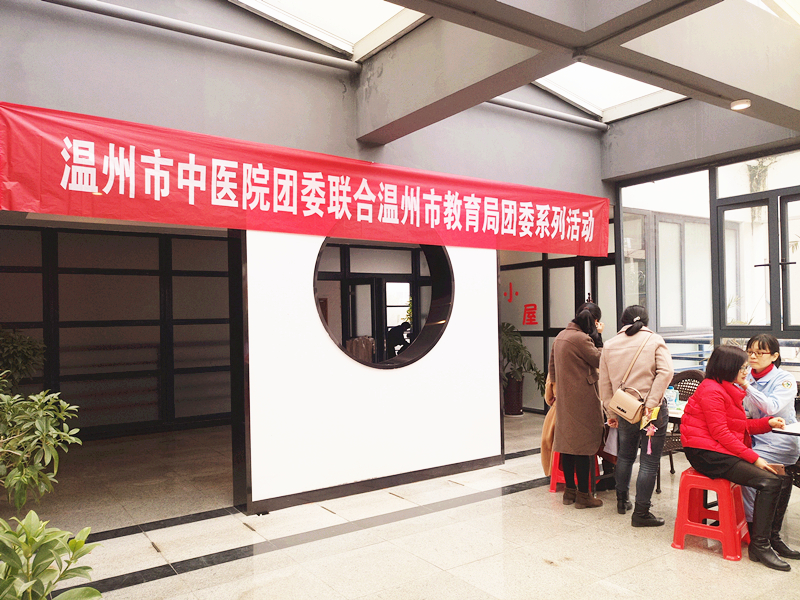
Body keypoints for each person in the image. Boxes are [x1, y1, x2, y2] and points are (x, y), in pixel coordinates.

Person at [680, 345, 789, 571]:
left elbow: (734, 425)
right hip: (705, 453)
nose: (746, 372)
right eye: (742, 367)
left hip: (714, 449)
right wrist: (754, 458)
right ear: (727, 367)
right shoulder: (712, 390)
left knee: (779, 479)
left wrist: (766, 423)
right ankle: (760, 545)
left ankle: (768, 540)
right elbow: (721, 432)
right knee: (770, 481)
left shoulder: (724, 388)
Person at [599, 305, 674, 527]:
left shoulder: (609, 345)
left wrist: (611, 412)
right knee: (649, 461)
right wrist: (651, 404)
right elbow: (666, 372)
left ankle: (622, 501)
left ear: (623, 322)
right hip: (652, 412)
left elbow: (604, 383)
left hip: (625, 409)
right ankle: (641, 513)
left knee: (625, 456)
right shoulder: (654, 340)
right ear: (646, 322)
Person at [742, 334, 800, 560]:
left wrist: (746, 385)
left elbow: (772, 407)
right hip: (755, 437)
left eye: (759, 352)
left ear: (774, 356)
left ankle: (764, 534)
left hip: (780, 442)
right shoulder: (747, 375)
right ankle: (754, 528)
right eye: (750, 352)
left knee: (748, 469)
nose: (753, 356)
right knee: (736, 463)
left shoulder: (784, 379)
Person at [548, 302, 604, 508]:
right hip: (583, 398)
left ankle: (569, 492)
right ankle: (583, 495)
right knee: (583, 446)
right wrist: (599, 338)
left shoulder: (561, 336)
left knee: (567, 445)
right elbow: (600, 360)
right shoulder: (581, 339)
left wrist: (556, 390)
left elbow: (552, 368)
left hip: (564, 398)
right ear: (595, 321)